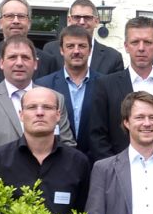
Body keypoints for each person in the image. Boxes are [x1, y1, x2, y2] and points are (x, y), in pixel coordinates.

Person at [88, 16, 153, 163]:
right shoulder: (105, 86)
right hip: (117, 172)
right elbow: (97, 137)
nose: (141, 48)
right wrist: (116, 169)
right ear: (126, 46)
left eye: (147, 42)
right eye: (135, 42)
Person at [0, 87, 90, 214]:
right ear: (21, 115)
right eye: (32, 107)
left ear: (58, 115)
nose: (39, 113)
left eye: (47, 107)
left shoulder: (78, 163)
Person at [0, 35, 74, 162]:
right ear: (1, 63)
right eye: (12, 57)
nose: (19, 63)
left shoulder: (55, 98)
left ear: (35, 64)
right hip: (0, 174)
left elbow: (67, 146)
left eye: (25, 57)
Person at [35, 25, 104, 158]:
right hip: (56, 160)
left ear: (90, 50)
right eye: (70, 46)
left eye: (82, 46)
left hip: (96, 161)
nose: (76, 51)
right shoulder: (44, 86)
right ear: (61, 50)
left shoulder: (105, 84)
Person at [0, 0, 59, 92]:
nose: (16, 21)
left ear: (29, 23)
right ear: (0, 23)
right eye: (9, 16)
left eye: (21, 16)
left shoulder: (48, 61)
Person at [41, 0, 125, 75]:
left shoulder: (113, 57)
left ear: (96, 22)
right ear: (69, 20)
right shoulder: (51, 49)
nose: (81, 22)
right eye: (77, 17)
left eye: (87, 17)